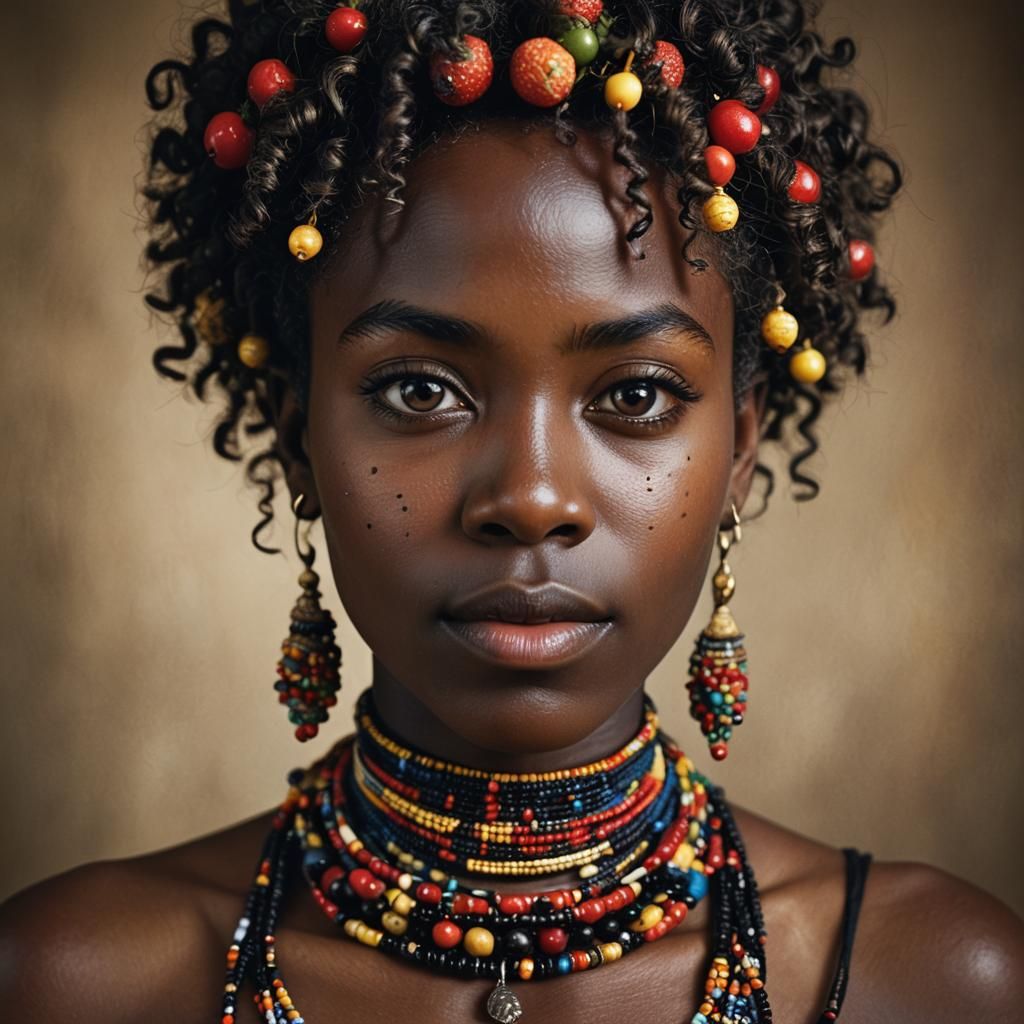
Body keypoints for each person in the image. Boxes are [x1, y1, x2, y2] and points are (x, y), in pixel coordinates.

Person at [1, 1, 1022, 1021]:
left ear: (740, 445)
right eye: (419, 390)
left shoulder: (927, 982)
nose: (530, 499)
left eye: (633, 394)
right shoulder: (75, 982)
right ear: (295, 432)